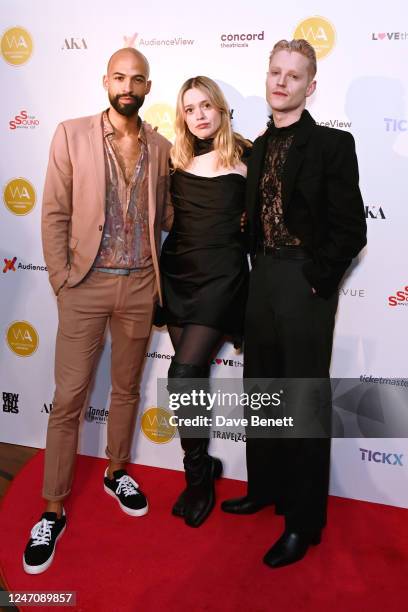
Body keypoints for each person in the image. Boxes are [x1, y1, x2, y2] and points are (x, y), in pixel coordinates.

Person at [23, 47, 172, 574]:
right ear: (105, 81)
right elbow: (54, 212)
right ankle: (52, 507)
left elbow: (171, 212)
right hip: (84, 286)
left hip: (139, 287)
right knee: (69, 398)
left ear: (148, 88)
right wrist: (63, 280)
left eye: (137, 79)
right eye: (119, 76)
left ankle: (115, 471)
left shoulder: (161, 146)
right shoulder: (71, 133)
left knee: (127, 389)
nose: (127, 85)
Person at [221, 39, 367, 567]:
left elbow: (352, 229)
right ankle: (265, 488)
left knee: (302, 402)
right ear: (268, 78)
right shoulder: (256, 147)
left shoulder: (331, 145)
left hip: (304, 285)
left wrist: (316, 281)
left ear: (310, 86)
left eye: (294, 75)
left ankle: (303, 523)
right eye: (276, 72)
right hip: (262, 282)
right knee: (261, 391)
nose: (282, 82)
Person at [156, 76, 251, 527]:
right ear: (183, 116)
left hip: (221, 278)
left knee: (184, 371)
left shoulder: (249, 154)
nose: (199, 115)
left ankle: (196, 479)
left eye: (206, 105)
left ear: (221, 109)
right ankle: (204, 464)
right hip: (179, 273)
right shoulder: (174, 159)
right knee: (188, 380)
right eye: (190, 108)